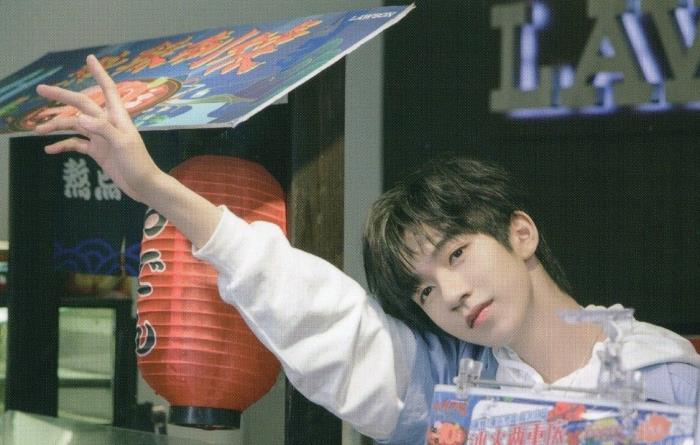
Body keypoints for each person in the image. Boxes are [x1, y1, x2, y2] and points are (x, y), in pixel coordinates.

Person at [34, 55, 699, 444]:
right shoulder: (451, 386)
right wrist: (154, 186)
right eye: (424, 289)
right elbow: (321, 317)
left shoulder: (666, 376)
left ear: (519, 233)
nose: (451, 293)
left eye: (457, 253)